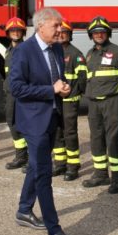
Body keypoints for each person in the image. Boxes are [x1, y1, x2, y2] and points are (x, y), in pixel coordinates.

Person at [9, 7, 79, 235]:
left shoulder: (57, 48)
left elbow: (57, 80)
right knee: (44, 173)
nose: (61, 30)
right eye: (56, 26)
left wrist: (63, 89)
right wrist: (51, 90)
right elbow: (16, 88)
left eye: (60, 26)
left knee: (38, 167)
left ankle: (24, 210)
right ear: (40, 27)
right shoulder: (23, 52)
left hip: (52, 117)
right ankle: (54, 230)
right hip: (33, 122)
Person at [82, 16, 118, 193]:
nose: (99, 35)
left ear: (108, 33)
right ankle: (100, 174)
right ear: (91, 35)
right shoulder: (90, 54)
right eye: (95, 33)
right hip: (94, 103)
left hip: (112, 101)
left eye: (102, 32)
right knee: (96, 138)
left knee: (113, 139)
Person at [52, 19, 87, 181]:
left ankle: (73, 166)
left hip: (70, 100)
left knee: (69, 132)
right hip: (55, 101)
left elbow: (82, 79)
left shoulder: (75, 54)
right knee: (57, 131)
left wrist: (74, 94)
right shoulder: (52, 52)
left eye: (65, 33)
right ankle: (60, 164)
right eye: (59, 33)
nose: (61, 36)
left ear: (69, 35)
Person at [2, 17, 29, 170]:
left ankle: (31, 157)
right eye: (12, 30)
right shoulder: (9, 50)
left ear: (23, 32)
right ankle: (21, 156)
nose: (16, 33)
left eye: (18, 30)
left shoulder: (27, 49)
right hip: (11, 93)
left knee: (26, 124)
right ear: (8, 33)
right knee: (12, 123)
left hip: (23, 93)